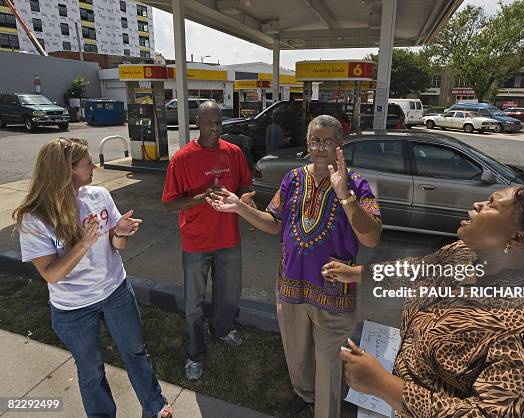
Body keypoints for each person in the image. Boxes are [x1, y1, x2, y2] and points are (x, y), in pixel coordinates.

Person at [324, 182, 524, 418]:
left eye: (491, 204)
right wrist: (358, 273)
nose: (478, 204)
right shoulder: (464, 254)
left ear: (518, 238)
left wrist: (383, 384)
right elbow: (418, 270)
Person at [207, 115, 383, 418]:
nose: (321, 147)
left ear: (340, 145)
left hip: (333, 293)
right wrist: (238, 207)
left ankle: (325, 410)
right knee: (297, 356)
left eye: (328, 141)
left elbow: (371, 238)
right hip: (291, 286)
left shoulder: (356, 184)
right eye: (315, 140)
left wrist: (346, 197)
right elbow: (274, 223)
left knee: (328, 364)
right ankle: (306, 395)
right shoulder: (292, 179)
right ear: (307, 143)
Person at [13, 138, 173, 418]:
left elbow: (114, 245)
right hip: (72, 308)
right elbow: (51, 274)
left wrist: (119, 233)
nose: (96, 166)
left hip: (115, 291)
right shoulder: (35, 217)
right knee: (90, 369)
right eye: (88, 163)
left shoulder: (98, 195)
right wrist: (83, 243)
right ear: (67, 170)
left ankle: (155, 407)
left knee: (135, 352)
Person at [162, 100, 253, 381]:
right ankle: (195, 354)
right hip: (196, 242)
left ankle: (222, 329)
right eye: (209, 123)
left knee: (229, 294)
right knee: (194, 302)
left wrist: (246, 198)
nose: (214, 128)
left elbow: (245, 185)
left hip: (228, 238)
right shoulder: (183, 158)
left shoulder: (234, 153)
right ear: (197, 124)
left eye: (218, 122)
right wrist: (202, 197)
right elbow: (169, 204)